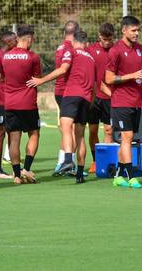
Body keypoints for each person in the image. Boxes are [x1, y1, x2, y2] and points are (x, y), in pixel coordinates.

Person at [105, 16, 142, 189]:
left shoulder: (139, 49)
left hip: (135, 101)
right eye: (133, 30)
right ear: (124, 30)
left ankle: (118, 176)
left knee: (127, 139)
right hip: (121, 101)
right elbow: (108, 78)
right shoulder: (116, 50)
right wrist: (131, 75)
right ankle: (131, 176)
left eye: (138, 30)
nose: (136, 33)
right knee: (128, 137)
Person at [48, 30, 96, 183]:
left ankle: (68, 159)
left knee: (66, 126)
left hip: (72, 94)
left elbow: (63, 69)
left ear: (74, 41)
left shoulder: (71, 51)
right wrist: (90, 101)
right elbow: (95, 86)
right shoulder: (91, 58)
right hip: (86, 98)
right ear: (86, 43)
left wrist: (41, 80)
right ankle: (80, 174)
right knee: (80, 136)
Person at [1, 25, 41, 185]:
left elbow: (3, 77)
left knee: (14, 139)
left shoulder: (5, 57)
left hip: (10, 103)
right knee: (34, 134)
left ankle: (16, 175)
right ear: (29, 38)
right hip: (28, 103)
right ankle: (27, 168)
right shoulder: (33, 57)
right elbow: (36, 79)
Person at [86, 23, 115, 173]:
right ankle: (95, 161)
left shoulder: (116, 50)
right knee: (92, 130)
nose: (107, 42)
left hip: (109, 96)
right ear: (99, 36)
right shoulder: (90, 50)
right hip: (93, 96)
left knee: (109, 130)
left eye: (109, 39)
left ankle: (106, 162)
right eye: (104, 39)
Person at [0, 30, 17, 179]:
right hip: (1, 101)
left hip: (14, 101)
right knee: (0, 134)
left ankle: (15, 169)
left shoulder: (16, 54)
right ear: (7, 42)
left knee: (13, 133)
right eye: (15, 40)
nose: (17, 41)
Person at [53, 21, 79, 170]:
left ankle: (62, 163)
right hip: (68, 93)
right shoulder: (71, 48)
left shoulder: (60, 47)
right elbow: (65, 70)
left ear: (64, 33)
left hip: (59, 91)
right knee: (72, 129)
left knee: (66, 128)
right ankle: (69, 164)